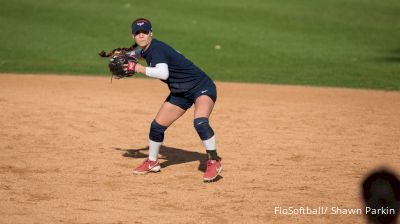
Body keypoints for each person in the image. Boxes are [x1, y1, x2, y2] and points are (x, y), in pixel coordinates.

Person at [125, 18, 222, 182]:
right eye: (137, 33)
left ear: (151, 33)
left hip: (201, 87)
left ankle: (214, 161)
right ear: (133, 35)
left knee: (200, 122)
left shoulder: (156, 49)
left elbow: (163, 74)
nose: (141, 36)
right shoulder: (147, 49)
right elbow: (138, 53)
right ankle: (152, 161)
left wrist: (137, 67)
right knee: (156, 127)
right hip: (180, 92)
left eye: (144, 32)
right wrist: (123, 55)